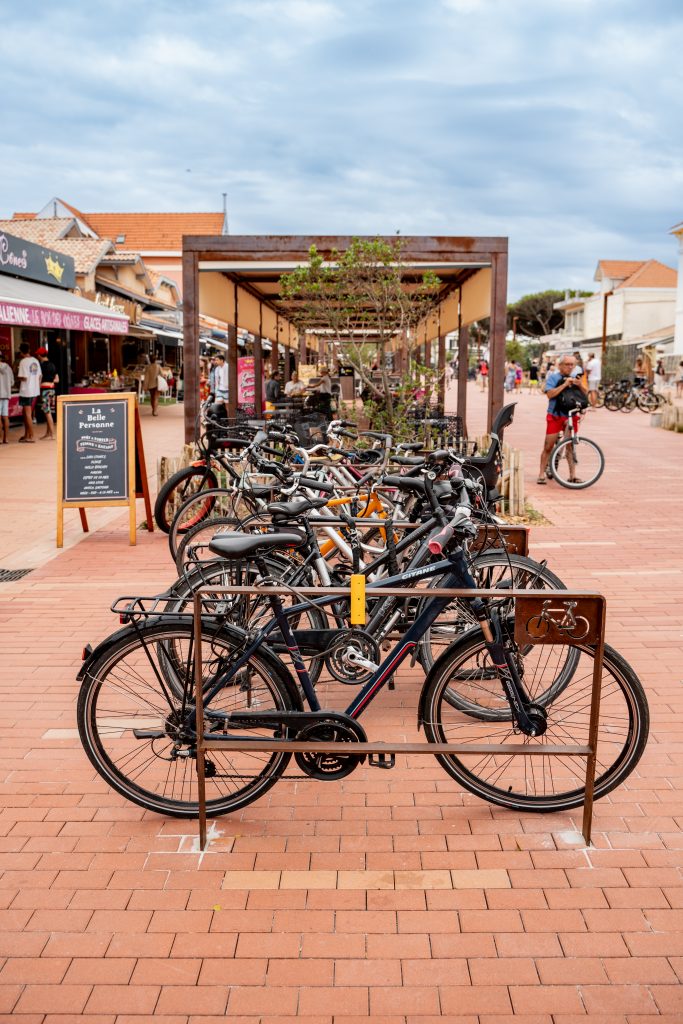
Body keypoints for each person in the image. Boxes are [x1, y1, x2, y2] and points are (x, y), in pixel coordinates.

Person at [537, 354, 587, 485]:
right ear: (560, 365)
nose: (570, 367)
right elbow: (549, 394)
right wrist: (565, 384)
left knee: (570, 445)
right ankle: (541, 473)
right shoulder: (554, 377)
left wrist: (580, 385)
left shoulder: (577, 377)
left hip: (571, 415)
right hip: (555, 414)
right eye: (567, 364)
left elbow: (586, 395)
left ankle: (572, 475)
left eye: (572, 364)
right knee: (548, 445)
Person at [16, 342, 41, 443]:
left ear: (21, 351)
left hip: (26, 390)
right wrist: (36, 386)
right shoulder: (35, 360)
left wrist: (18, 377)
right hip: (34, 390)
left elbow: (24, 377)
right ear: (29, 350)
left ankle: (31, 436)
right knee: (26, 413)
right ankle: (26, 435)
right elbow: (40, 376)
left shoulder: (23, 362)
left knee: (27, 414)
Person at [35, 347, 59, 439]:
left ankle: (52, 434)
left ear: (40, 356)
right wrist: (51, 381)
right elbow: (57, 379)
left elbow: (39, 378)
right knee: (49, 410)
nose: (37, 356)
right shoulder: (53, 365)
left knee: (46, 411)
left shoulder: (41, 366)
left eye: (38, 355)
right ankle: (48, 433)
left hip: (45, 389)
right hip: (52, 389)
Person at [0, 351, 14, 444]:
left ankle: (0, 438)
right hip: (6, 395)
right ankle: (6, 438)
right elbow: (12, 382)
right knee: (5, 416)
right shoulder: (8, 367)